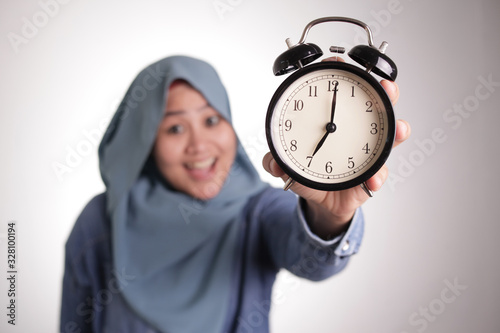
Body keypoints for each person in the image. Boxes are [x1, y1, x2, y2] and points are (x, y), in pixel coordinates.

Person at [60, 55, 410, 333]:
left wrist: (334, 215)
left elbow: (313, 261)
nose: (199, 146)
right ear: (145, 141)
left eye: (212, 120)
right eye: (175, 127)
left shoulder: (256, 210)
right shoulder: (101, 220)